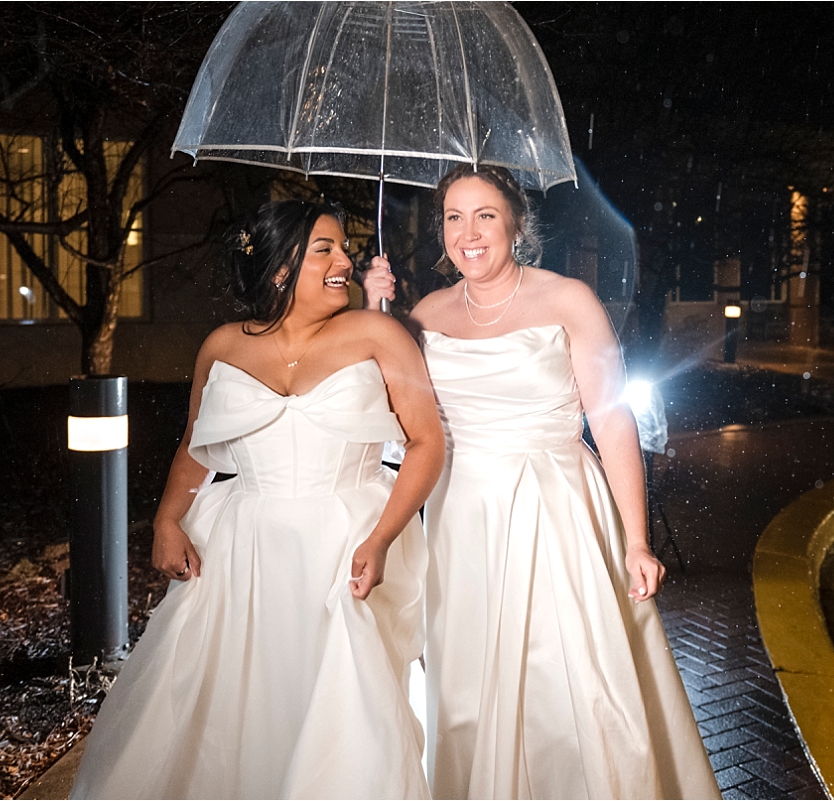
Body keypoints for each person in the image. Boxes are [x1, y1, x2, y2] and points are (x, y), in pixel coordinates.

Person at [365, 165, 720, 800]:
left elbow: (611, 422)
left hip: (556, 509)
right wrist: (376, 316)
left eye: (485, 216)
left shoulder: (567, 299)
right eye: (453, 217)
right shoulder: (423, 314)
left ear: (516, 225)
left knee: (568, 680)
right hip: (462, 517)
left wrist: (637, 541)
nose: (467, 233)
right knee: (472, 688)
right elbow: (393, 423)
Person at [70, 200, 444, 799]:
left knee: (342, 704)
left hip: (343, 543)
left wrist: (381, 539)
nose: (344, 260)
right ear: (278, 270)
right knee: (232, 704)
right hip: (241, 549)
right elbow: (196, 443)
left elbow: (428, 443)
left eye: (343, 247)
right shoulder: (221, 346)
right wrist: (168, 519)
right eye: (325, 249)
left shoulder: (378, 334)